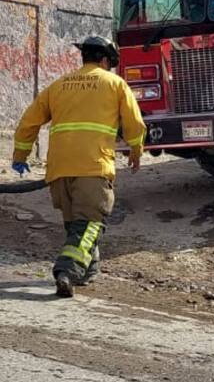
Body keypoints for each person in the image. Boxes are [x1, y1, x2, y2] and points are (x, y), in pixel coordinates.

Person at [10, 35, 146, 298]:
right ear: (106, 60)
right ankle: (67, 270)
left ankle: (88, 270)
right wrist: (136, 151)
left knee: (77, 226)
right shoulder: (115, 83)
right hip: (92, 167)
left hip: (59, 170)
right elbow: (135, 124)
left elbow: (28, 122)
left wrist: (21, 156)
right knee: (91, 223)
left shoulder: (59, 85)